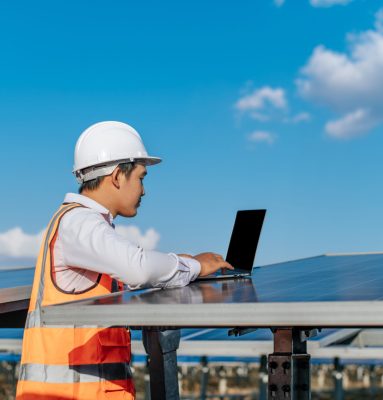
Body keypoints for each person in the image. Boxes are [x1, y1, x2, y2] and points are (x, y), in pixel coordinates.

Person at [16, 121, 233, 400]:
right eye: (141, 178)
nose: (144, 190)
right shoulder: (79, 222)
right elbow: (138, 268)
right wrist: (195, 266)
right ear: (118, 175)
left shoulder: (83, 225)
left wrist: (176, 262)